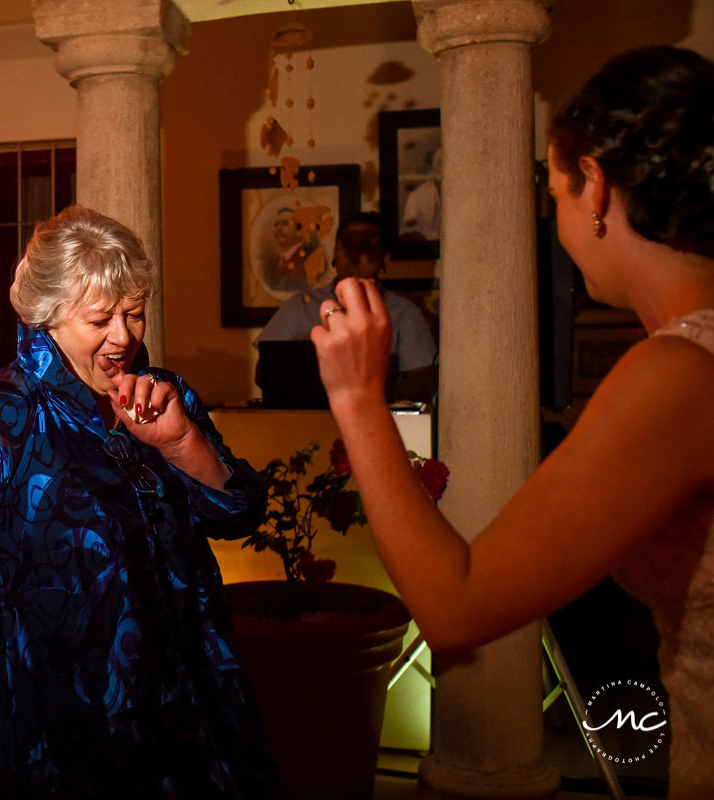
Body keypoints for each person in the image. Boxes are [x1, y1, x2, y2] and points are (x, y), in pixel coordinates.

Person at [311, 46, 714, 797]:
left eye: (551, 189)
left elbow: (456, 607)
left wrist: (358, 398)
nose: (553, 212)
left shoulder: (682, 373)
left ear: (594, 185)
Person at [0, 205, 282, 799]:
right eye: (101, 318)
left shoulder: (163, 395)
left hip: (191, 704)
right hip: (62, 731)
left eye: (134, 313)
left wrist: (184, 443)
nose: (124, 336)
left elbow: (239, 515)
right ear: (48, 316)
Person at [257, 211, 438, 403]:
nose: (355, 255)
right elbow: (263, 373)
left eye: (368, 246)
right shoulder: (300, 306)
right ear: (335, 254)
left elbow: (423, 383)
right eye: (348, 244)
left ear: (385, 258)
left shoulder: (405, 313)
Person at [261, 205, 322, 293]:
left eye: (285, 223)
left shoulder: (310, 262)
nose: (279, 228)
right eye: (276, 224)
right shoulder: (271, 266)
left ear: (300, 230)